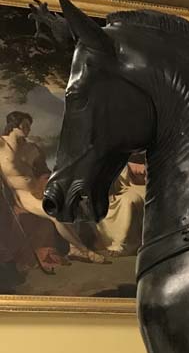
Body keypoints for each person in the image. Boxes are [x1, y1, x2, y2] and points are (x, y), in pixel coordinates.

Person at [0, 110, 110, 265]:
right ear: (13, 126)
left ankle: (76, 247)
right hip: (23, 195)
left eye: (29, 126)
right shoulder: (1, 145)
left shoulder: (31, 147)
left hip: (40, 189)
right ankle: (85, 251)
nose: (28, 129)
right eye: (25, 125)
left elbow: (44, 171)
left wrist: (45, 180)